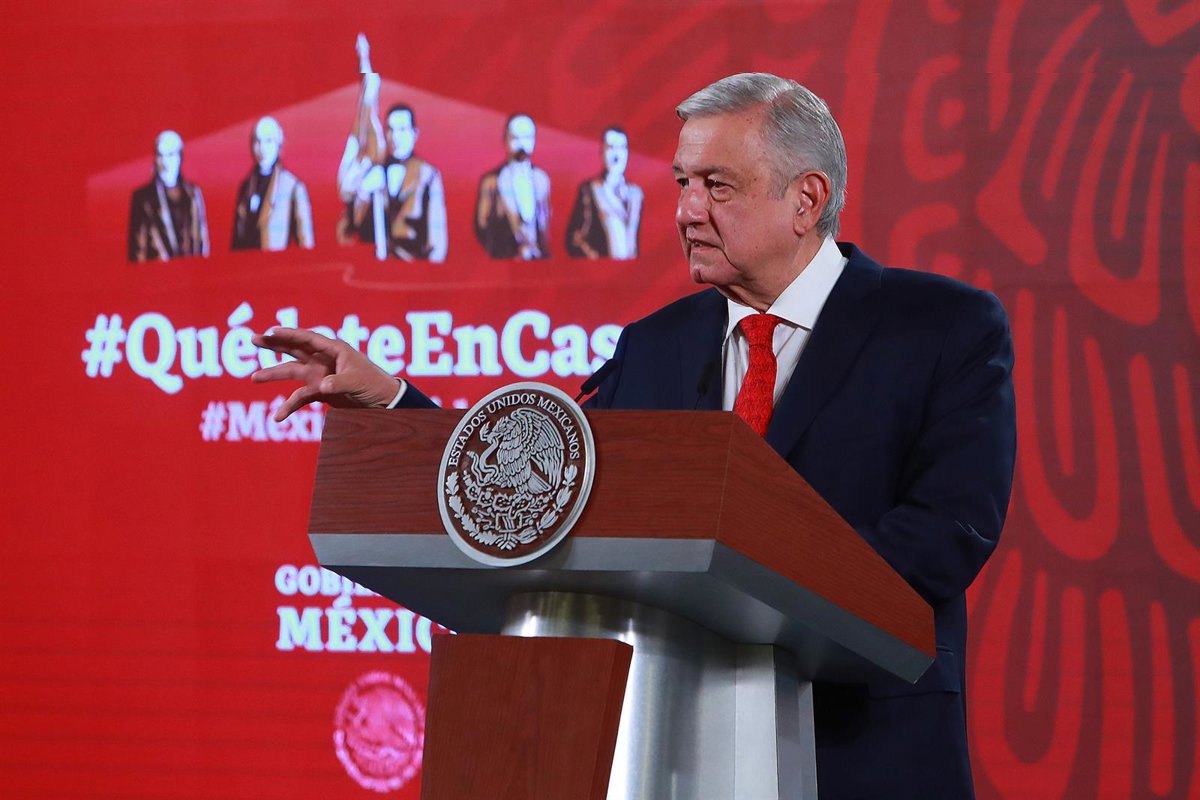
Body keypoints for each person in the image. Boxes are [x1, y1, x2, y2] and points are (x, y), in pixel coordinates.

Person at [251, 73, 1015, 799]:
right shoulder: (654, 345)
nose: (686, 211)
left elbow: (946, 534)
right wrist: (393, 405)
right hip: (666, 755)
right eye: (682, 183)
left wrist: (749, 584)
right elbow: (556, 503)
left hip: (861, 750)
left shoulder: (941, 328)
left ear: (805, 199)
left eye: (717, 185)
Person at [336, 34, 448, 262]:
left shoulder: (428, 175)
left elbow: (437, 240)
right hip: (374, 269)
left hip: (414, 270)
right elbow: (348, 230)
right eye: (391, 130)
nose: (396, 137)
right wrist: (363, 195)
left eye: (403, 130)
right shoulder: (374, 169)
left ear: (415, 134)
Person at [232, 116, 314, 252]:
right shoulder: (245, 187)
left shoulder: (293, 187)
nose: (262, 148)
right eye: (257, 141)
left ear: (278, 144)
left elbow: (306, 244)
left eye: (268, 141)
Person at [474, 114, 551, 259]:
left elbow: (545, 223)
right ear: (505, 139)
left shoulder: (542, 179)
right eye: (515, 138)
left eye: (527, 138)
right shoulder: (491, 182)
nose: (522, 144)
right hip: (505, 260)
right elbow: (482, 226)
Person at [127, 130, 209, 263]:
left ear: (180, 157)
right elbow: (138, 251)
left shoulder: (193, 193)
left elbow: (202, 241)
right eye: (160, 155)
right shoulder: (142, 198)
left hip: (192, 272)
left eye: (170, 155)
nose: (165, 162)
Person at [565, 126, 643, 259]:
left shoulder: (636, 194)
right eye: (611, 148)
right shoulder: (589, 190)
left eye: (622, 148)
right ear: (602, 152)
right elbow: (574, 239)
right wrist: (595, 259)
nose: (617, 156)